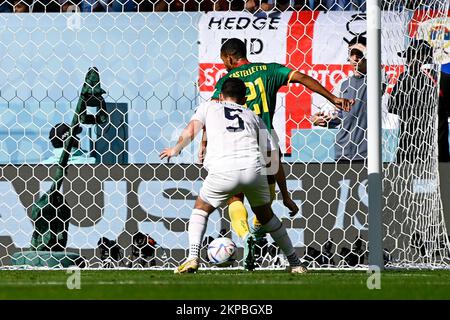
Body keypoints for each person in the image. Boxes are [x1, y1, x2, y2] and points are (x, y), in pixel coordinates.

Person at [202, 38, 353, 270]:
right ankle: (256, 232)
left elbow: (212, 112)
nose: (224, 66)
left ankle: (245, 237)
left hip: (237, 140)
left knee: (235, 197)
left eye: (224, 61)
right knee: (266, 198)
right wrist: (332, 98)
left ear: (230, 58)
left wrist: (204, 144)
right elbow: (302, 78)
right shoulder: (269, 70)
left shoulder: (227, 81)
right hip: (266, 135)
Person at [160, 78, 308, 274]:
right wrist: (285, 195)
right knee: (267, 217)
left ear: (220, 96)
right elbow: (273, 157)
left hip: (223, 169)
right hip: (253, 170)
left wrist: (176, 149)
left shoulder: (209, 107)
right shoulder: (254, 117)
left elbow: (191, 131)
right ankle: (296, 263)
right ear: (244, 99)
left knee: (201, 209)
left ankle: (193, 258)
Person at [310, 35, 367, 162]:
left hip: (367, 152)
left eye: (359, 53)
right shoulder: (342, 85)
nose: (355, 57)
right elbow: (341, 116)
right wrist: (324, 120)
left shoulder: (376, 81)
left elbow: (382, 78)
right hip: (342, 151)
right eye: (351, 53)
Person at [387, 39, 437, 164]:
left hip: (415, 144)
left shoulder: (408, 78)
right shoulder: (436, 77)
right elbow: (391, 106)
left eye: (410, 56)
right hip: (414, 142)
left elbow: (392, 106)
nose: (407, 61)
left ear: (423, 57)